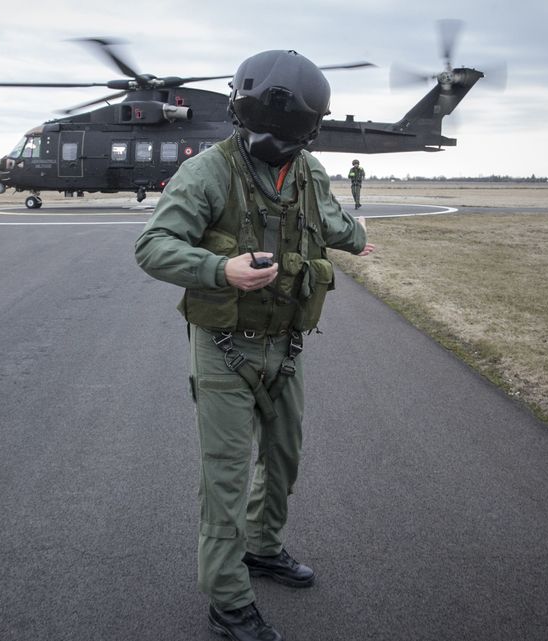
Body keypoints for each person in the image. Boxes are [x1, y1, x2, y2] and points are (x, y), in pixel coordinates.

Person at [134, 49, 375, 641]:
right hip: (224, 347)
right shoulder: (207, 172)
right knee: (225, 474)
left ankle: (263, 547)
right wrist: (221, 270)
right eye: (263, 129)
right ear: (240, 113)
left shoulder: (311, 172)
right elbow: (153, 246)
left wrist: (357, 238)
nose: (273, 142)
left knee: (284, 453)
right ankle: (227, 598)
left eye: (287, 135)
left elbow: (334, 222)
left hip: (286, 345)